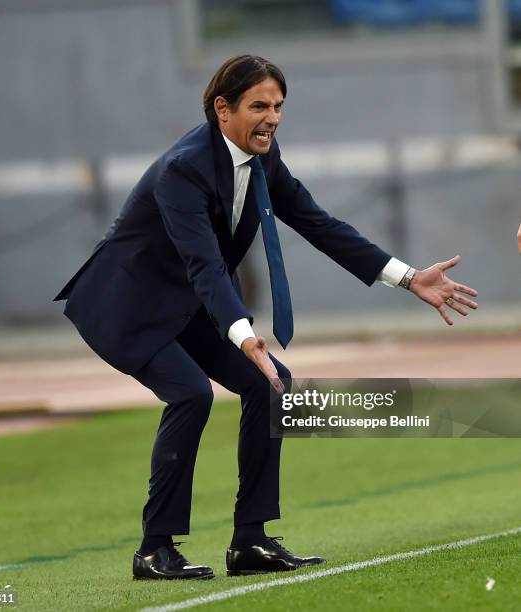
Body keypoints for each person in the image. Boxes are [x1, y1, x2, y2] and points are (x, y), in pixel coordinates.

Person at [54, 55, 478, 580]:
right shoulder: (182, 169)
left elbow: (318, 222)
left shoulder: (262, 158)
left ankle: (250, 541)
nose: (272, 117)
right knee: (191, 393)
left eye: (278, 106)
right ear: (222, 109)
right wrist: (244, 334)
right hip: (129, 306)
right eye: (259, 105)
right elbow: (203, 263)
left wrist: (410, 277)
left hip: (189, 301)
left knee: (272, 384)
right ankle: (154, 549)